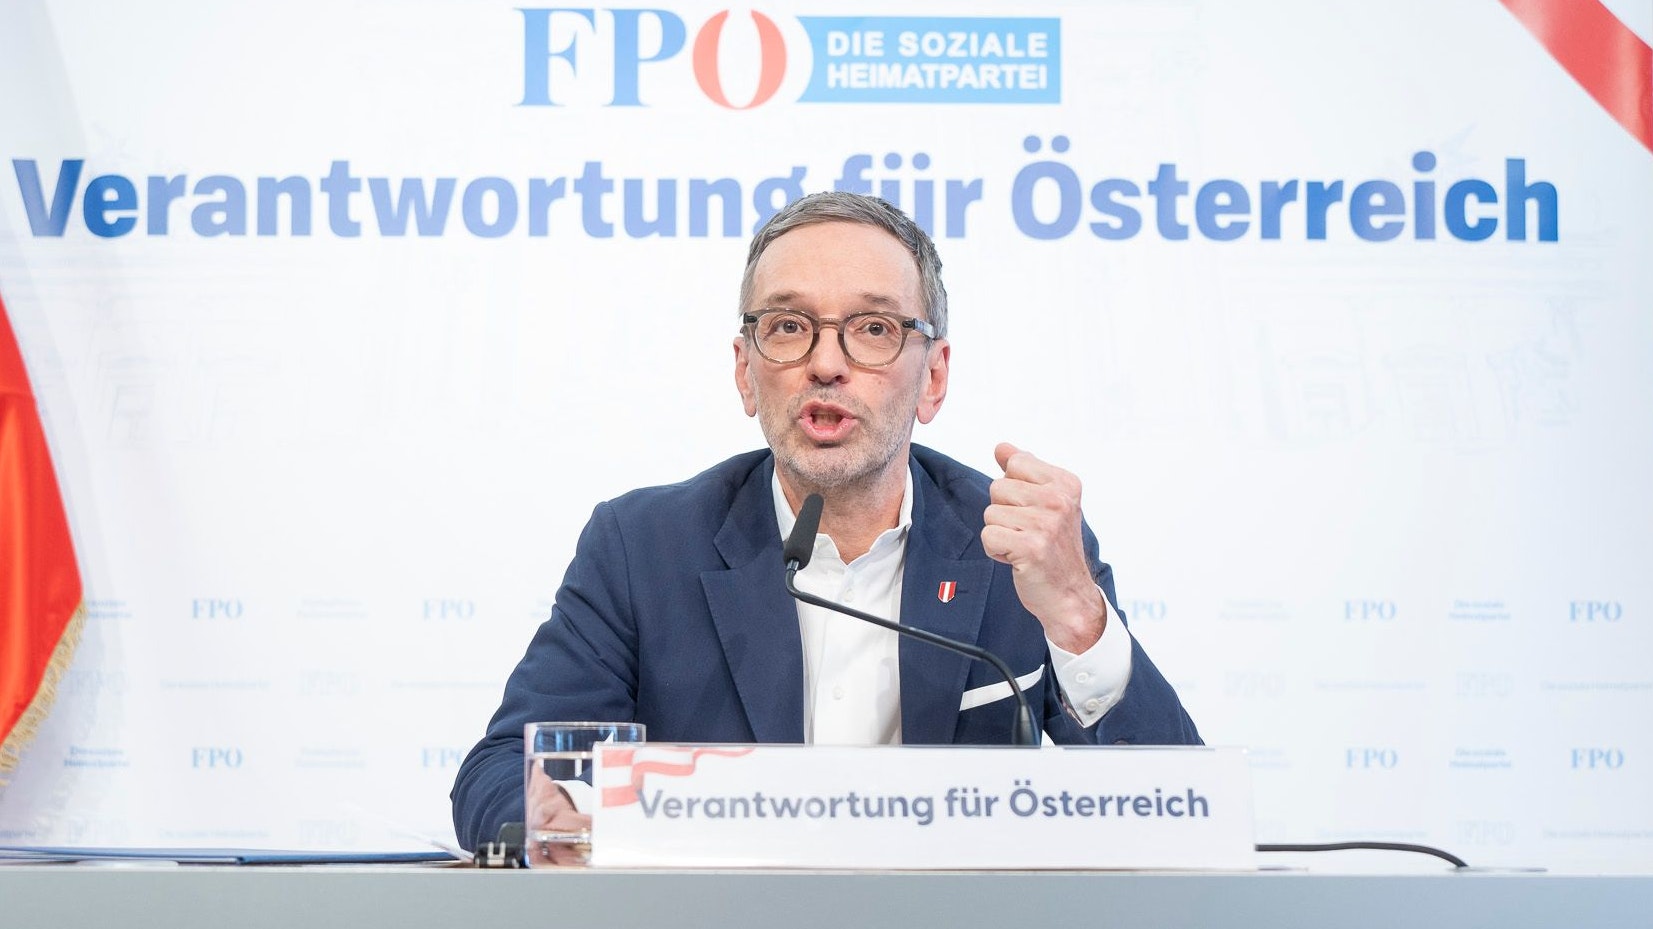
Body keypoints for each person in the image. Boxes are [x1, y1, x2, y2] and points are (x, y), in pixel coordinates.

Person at [450, 192, 1201, 853]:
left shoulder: (1016, 544)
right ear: (746, 372)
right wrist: (546, 817)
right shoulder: (642, 547)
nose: (826, 363)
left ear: (932, 376)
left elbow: (1179, 811)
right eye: (787, 326)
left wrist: (1076, 616)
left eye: (872, 328)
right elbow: (499, 773)